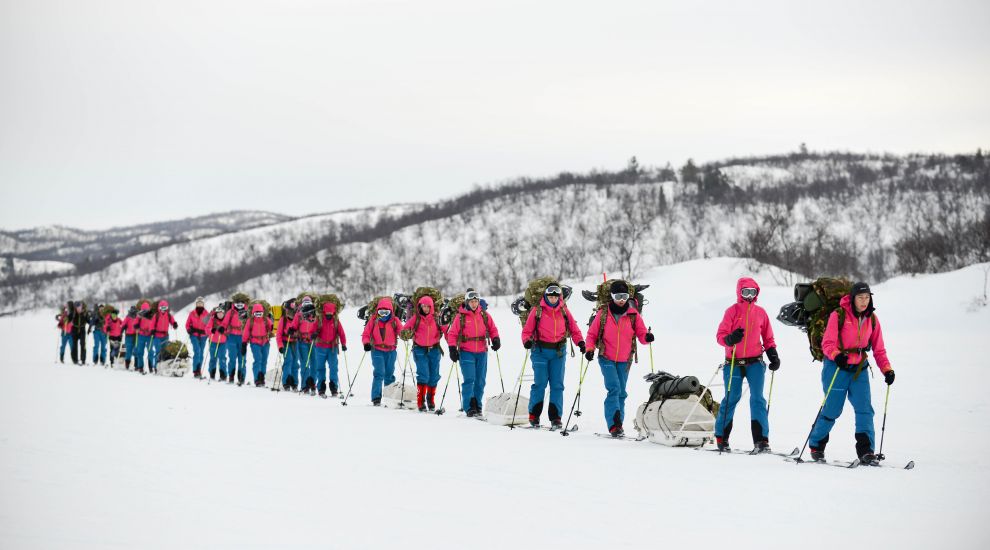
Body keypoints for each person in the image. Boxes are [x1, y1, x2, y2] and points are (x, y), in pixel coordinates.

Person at [809, 282, 894, 465]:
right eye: (860, 298)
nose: (864, 301)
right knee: (832, 409)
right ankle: (816, 445)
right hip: (836, 368)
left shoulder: (872, 319)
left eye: (867, 297)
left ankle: (866, 451)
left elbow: (879, 350)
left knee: (865, 410)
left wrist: (887, 369)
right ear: (853, 298)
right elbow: (828, 344)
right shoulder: (838, 315)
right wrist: (836, 356)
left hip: (859, 370)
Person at [713, 277, 780, 453]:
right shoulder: (732, 311)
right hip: (734, 362)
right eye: (746, 292)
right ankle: (722, 437)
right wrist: (730, 339)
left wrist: (773, 354)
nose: (749, 296)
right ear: (739, 292)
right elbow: (720, 336)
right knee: (731, 397)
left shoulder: (761, 313)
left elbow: (768, 337)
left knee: (758, 399)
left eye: (753, 292)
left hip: (755, 362)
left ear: (757, 293)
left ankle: (761, 440)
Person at [584, 281, 652, 437]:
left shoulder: (633, 314)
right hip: (606, 357)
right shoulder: (603, 314)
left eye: (625, 296)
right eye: (618, 296)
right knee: (614, 388)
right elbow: (592, 335)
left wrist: (647, 337)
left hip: (625, 359)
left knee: (622, 392)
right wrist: (589, 349)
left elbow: (642, 335)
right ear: (612, 296)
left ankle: (619, 424)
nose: (621, 299)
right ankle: (613, 425)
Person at [520, 283, 585, 428]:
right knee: (540, 383)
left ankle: (556, 418)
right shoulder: (537, 311)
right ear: (546, 296)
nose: (553, 298)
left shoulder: (564, 311)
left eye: (556, 296)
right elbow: (527, 331)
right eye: (551, 296)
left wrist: (580, 342)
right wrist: (526, 341)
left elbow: (574, 329)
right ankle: (534, 415)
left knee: (557, 385)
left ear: (560, 296)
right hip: (540, 352)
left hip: (559, 352)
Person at [446, 289, 500, 417]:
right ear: (467, 302)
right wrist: (452, 349)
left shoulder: (484, 315)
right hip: (466, 352)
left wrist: (496, 339)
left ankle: (477, 404)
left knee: (480, 380)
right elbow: (452, 334)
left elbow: (493, 329)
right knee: (470, 379)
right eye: (472, 302)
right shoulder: (461, 316)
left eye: (476, 301)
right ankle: (469, 406)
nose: (474, 304)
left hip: (482, 351)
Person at [401, 296, 447, 411]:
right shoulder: (416, 318)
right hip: (419, 350)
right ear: (420, 306)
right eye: (423, 306)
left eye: (428, 306)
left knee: (434, 377)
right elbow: (404, 329)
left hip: (434, 350)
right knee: (423, 375)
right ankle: (420, 402)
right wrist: (405, 334)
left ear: (431, 307)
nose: (425, 308)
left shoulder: (437, 318)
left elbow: (446, 330)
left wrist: (453, 344)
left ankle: (430, 400)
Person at [362, 297, 402, 406]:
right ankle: (376, 397)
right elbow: (366, 334)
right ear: (377, 311)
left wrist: (405, 335)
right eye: (381, 312)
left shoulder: (395, 321)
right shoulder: (373, 320)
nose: (383, 315)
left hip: (391, 351)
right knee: (379, 373)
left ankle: (389, 396)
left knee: (389, 374)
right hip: (377, 350)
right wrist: (366, 343)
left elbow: (401, 331)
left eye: (386, 312)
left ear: (391, 312)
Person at [313, 301, 347, 397]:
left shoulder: (336, 321)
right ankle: (321, 388)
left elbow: (342, 333)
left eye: (330, 314)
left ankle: (334, 388)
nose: (329, 315)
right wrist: (313, 334)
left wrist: (344, 344)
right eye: (327, 314)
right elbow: (312, 330)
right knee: (320, 369)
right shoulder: (319, 320)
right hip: (320, 347)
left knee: (333, 368)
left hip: (332, 348)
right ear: (324, 312)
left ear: (333, 313)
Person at [292, 296, 320, 394]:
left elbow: (319, 326)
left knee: (314, 364)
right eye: (305, 304)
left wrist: (317, 333)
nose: (306, 306)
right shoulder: (299, 314)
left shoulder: (315, 314)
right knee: (304, 364)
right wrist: (292, 329)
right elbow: (294, 325)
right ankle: (305, 386)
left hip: (314, 342)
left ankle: (313, 384)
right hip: (302, 341)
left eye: (308, 303)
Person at [242, 303, 274, 387]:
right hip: (255, 342)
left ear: (263, 313)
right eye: (256, 313)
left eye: (260, 313)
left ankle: (262, 377)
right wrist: (244, 343)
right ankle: (257, 378)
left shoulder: (266, 320)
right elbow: (246, 332)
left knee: (264, 360)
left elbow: (272, 327)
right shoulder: (250, 321)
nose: (258, 315)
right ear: (253, 313)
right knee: (258, 359)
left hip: (265, 342)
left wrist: (272, 322)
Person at [221, 300, 249, 385]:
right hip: (232, 336)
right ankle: (231, 376)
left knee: (242, 358)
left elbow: (250, 323)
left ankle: (241, 377)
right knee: (232, 357)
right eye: (238, 304)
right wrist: (222, 327)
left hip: (242, 337)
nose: (239, 305)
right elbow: (225, 322)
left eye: (241, 303)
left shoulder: (247, 312)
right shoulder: (230, 312)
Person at [149, 300, 179, 373]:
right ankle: (156, 366)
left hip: (165, 336)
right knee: (158, 351)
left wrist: (174, 324)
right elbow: (151, 325)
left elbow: (172, 321)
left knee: (165, 351)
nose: (163, 310)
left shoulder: (168, 315)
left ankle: (163, 366)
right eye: (162, 308)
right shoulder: (156, 315)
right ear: (159, 308)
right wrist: (152, 330)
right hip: (157, 336)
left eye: (165, 308)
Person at [276, 299, 299, 391]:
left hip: (295, 342)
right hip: (286, 342)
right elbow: (278, 334)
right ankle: (286, 382)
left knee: (295, 363)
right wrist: (280, 346)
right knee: (288, 360)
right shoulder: (283, 319)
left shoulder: (298, 319)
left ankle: (295, 382)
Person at [185, 297, 211, 378]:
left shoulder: (206, 314)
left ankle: (199, 369)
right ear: (196, 304)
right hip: (194, 335)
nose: (199, 304)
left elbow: (209, 325)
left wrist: (208, 333)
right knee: (197, 351)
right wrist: (189, 329)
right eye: (198, 303)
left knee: (201, 353)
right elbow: (187, 324)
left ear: (203, 304)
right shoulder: (192, 313)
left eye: (201, 303)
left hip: (203, 336)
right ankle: (195, 370)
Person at [205, 307, 228, 380]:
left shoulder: (226, 320)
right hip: (213, 342)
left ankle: (223, 374)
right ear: (216, 314)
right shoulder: (212, 319)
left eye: (222, 313)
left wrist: (224, 331)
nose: (220, 315)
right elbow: (207, 329)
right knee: (213, 358)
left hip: (223, 342)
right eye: (219, 313)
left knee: (222, 358)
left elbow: (229, 330)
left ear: (224, 314)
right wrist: (211, 330)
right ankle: (212, 373)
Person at [135, 302, 154, 373]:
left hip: (149, 335)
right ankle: (140, 367)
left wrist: (153, 330)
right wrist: (136, 326)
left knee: (150, 352)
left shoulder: (151, 315)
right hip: (141, 335)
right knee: (140, 352)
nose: (145, 312)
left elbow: (154, 323)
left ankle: (151, 366)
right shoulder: (139, 315)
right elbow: (135, 323)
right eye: (143, 310)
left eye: (146, 310)